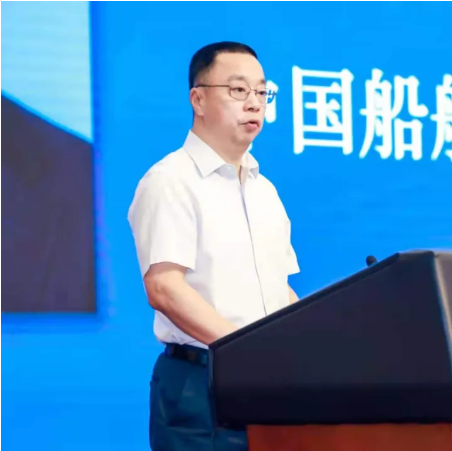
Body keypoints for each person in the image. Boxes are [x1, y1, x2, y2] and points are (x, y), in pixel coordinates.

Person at [128, 41, 300, 451]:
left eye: (262, 92)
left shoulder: (265, 191)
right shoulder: (171, 180)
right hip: (198, 386)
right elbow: (164, 287)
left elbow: (279, 290)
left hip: (266, 386)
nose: (254, 103)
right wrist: (245, 352)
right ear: (199, 99)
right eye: (238, 90)